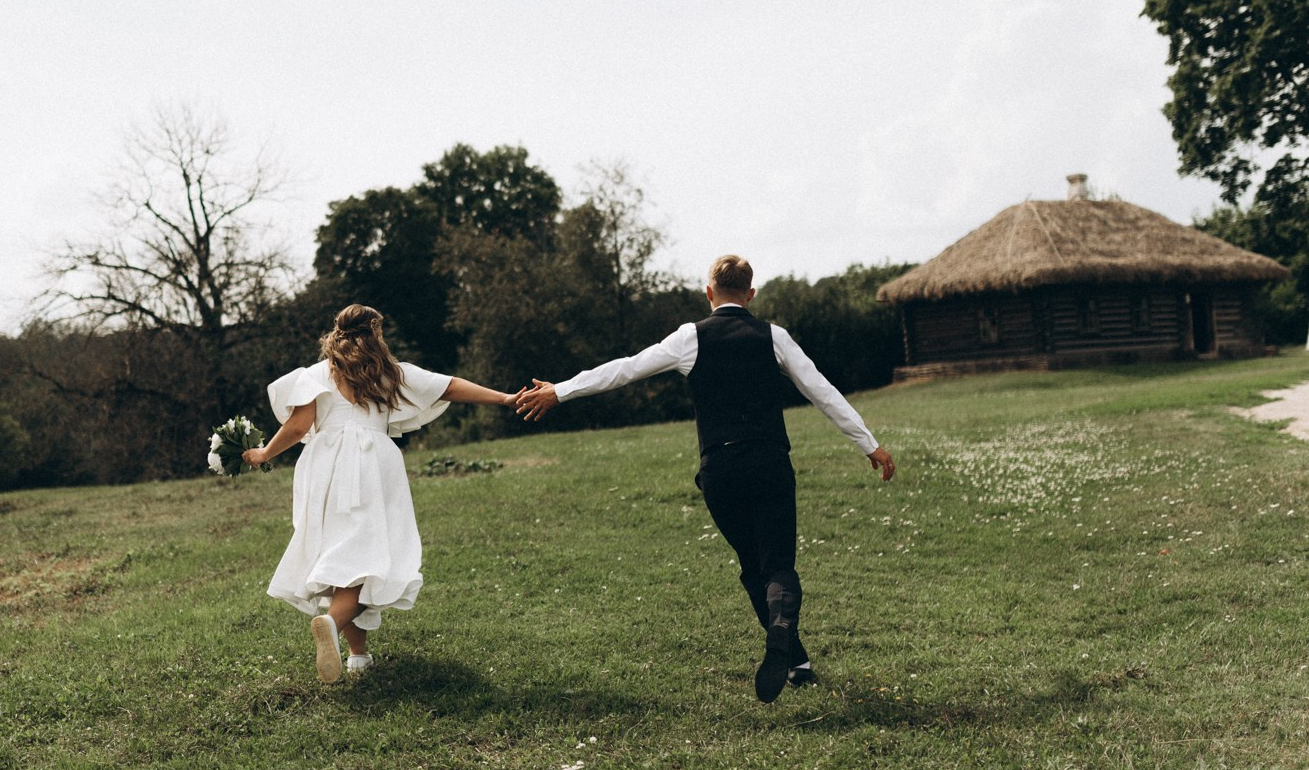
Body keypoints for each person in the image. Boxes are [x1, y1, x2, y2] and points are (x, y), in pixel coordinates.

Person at [514, 254, 895, 703]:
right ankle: (784, 636)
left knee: (752, 567)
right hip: (770, 464)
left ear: (708, 293)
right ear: (751, 294)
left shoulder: (688, 338)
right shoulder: (774, 336)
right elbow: (822, 392)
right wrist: (868, 443)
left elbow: (624, 368)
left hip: (721, 470)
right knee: (778, 567)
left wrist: (560, 391)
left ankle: (797, 662)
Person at [245, 304, 520, 683]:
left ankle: (358, 655)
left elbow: (298, 425)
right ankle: (332, 623)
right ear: (374, 331)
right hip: (373, 465)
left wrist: (264, 453)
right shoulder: (388, 371)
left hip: (324, 468)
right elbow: (449, 386)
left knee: (343, 558)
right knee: (370, 559)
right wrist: (504, 398)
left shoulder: (316, 374)